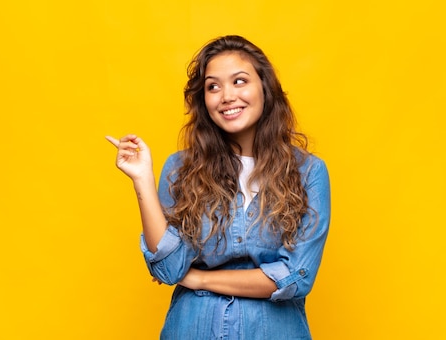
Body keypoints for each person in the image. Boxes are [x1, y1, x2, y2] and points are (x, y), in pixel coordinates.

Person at [106, 35, 330, 340]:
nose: (226, 96)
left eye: (239, 81)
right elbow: (169, 269)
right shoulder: (180, 168)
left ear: (265, 88)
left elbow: (294, 277)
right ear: (204, 101)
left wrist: (198, 279)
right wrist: (142, 178)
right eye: (213, 86)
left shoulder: (308, 171)